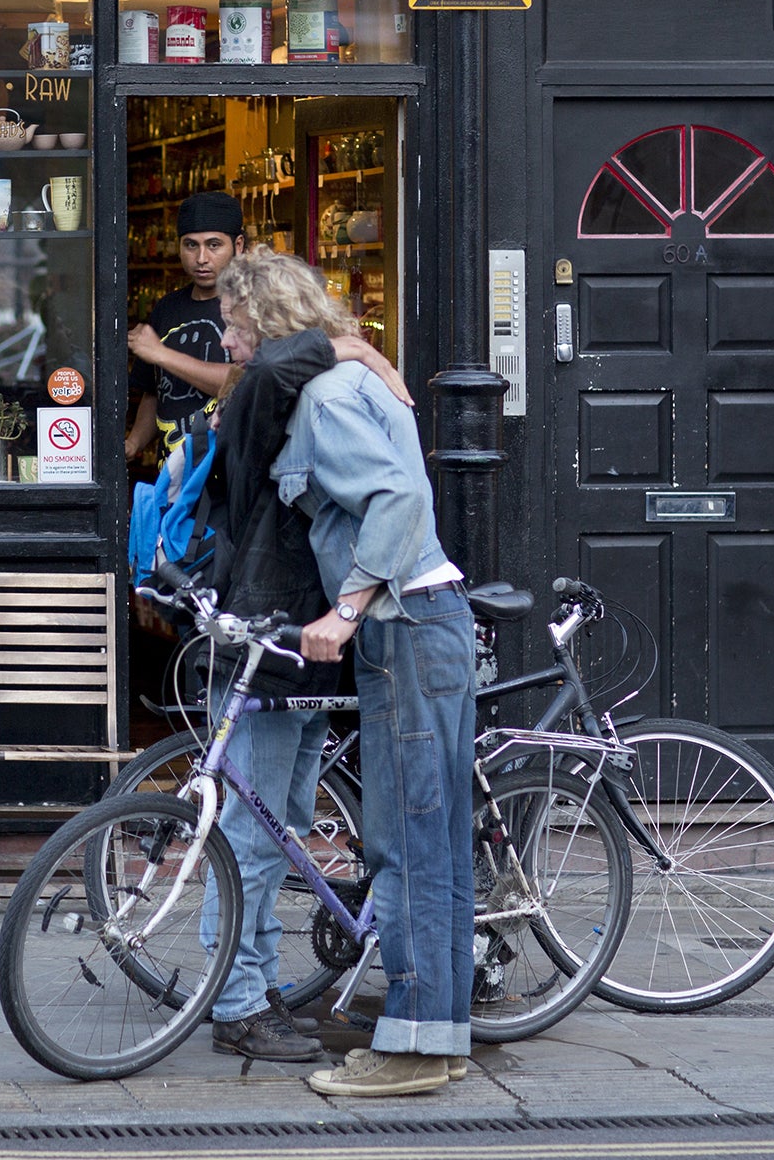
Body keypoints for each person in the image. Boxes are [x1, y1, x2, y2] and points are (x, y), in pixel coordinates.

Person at [226, 249, 476, 1098]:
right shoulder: (354, 385)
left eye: (233, 325)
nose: (230, 343)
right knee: (434, 844)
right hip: (431, 618)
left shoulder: (326, 403)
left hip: (403, 625)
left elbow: (399, 501)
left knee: (404, 847)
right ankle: (434, 1036)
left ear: (263, 325)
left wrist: (347, 608)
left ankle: (406, 1055)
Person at [192, 263, 415, 1062]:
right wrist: (356, 349)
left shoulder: (285, 381)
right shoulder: (261, 384)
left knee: (281, 827)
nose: (223, 333)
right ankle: (239, 1003)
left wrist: (351, 352)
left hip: (304, 633)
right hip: (271, 629)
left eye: (232, 313)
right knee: (257, 834)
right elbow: (289, 361)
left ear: (267, 308)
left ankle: (252, 988)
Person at [125, 193, 246, 460]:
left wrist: (162, 354)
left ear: (238, 245)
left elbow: (247, 382)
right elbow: (155, 393)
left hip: (226, 483)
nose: (201, 258)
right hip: (172, 481)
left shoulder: (252, 307)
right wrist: (133, 444)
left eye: (214, 245)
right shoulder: (167, 308)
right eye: (191, 245)